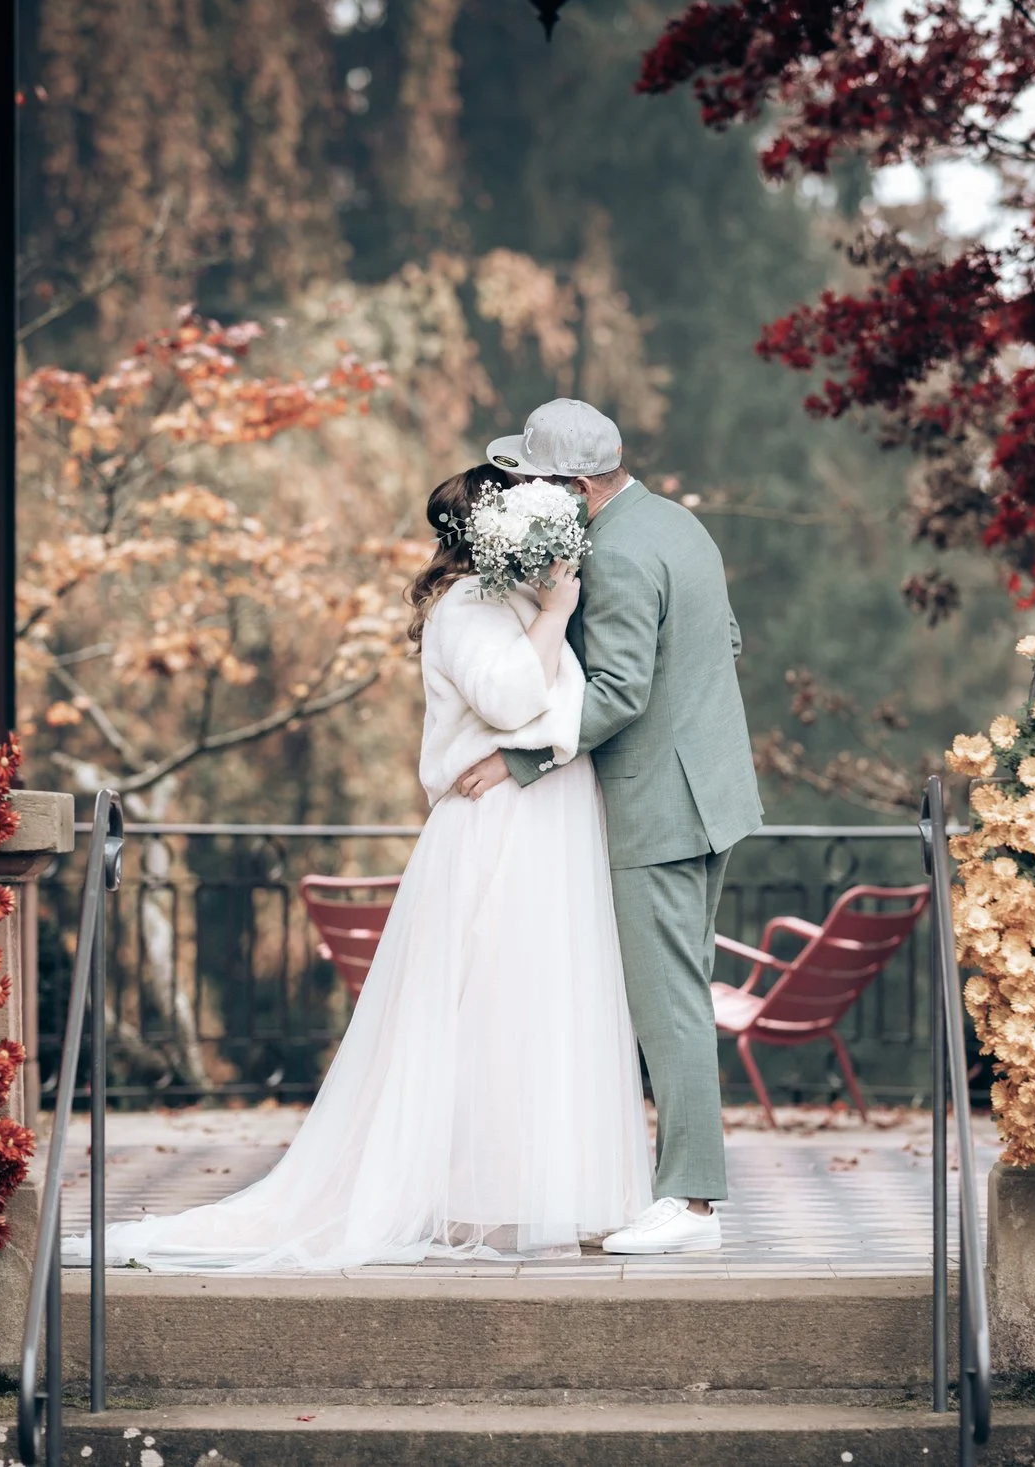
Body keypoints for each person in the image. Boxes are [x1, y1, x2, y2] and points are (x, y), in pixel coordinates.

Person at [71, 462, 649, 1270]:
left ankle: (532, 1189)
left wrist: (541, 711)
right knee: (491, 1007)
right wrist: (556, 611)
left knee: (533, 1006)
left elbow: (560, 717)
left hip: (539, 822)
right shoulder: (469, 607)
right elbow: (518, 702)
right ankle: (475, 1194)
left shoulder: (510, 603)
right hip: (500, 836)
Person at [458, 398, 762, 1255]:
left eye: (534, 480)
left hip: (659, 803)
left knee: (666, 1003)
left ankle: (692, 1201)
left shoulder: (620, 552)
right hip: (710, 790)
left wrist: (521, 759)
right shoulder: (675, 524)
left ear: (578, 486)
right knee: (678, 994)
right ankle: (685, 1191)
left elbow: (622, 691)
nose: (523, 494)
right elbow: (725, 639)